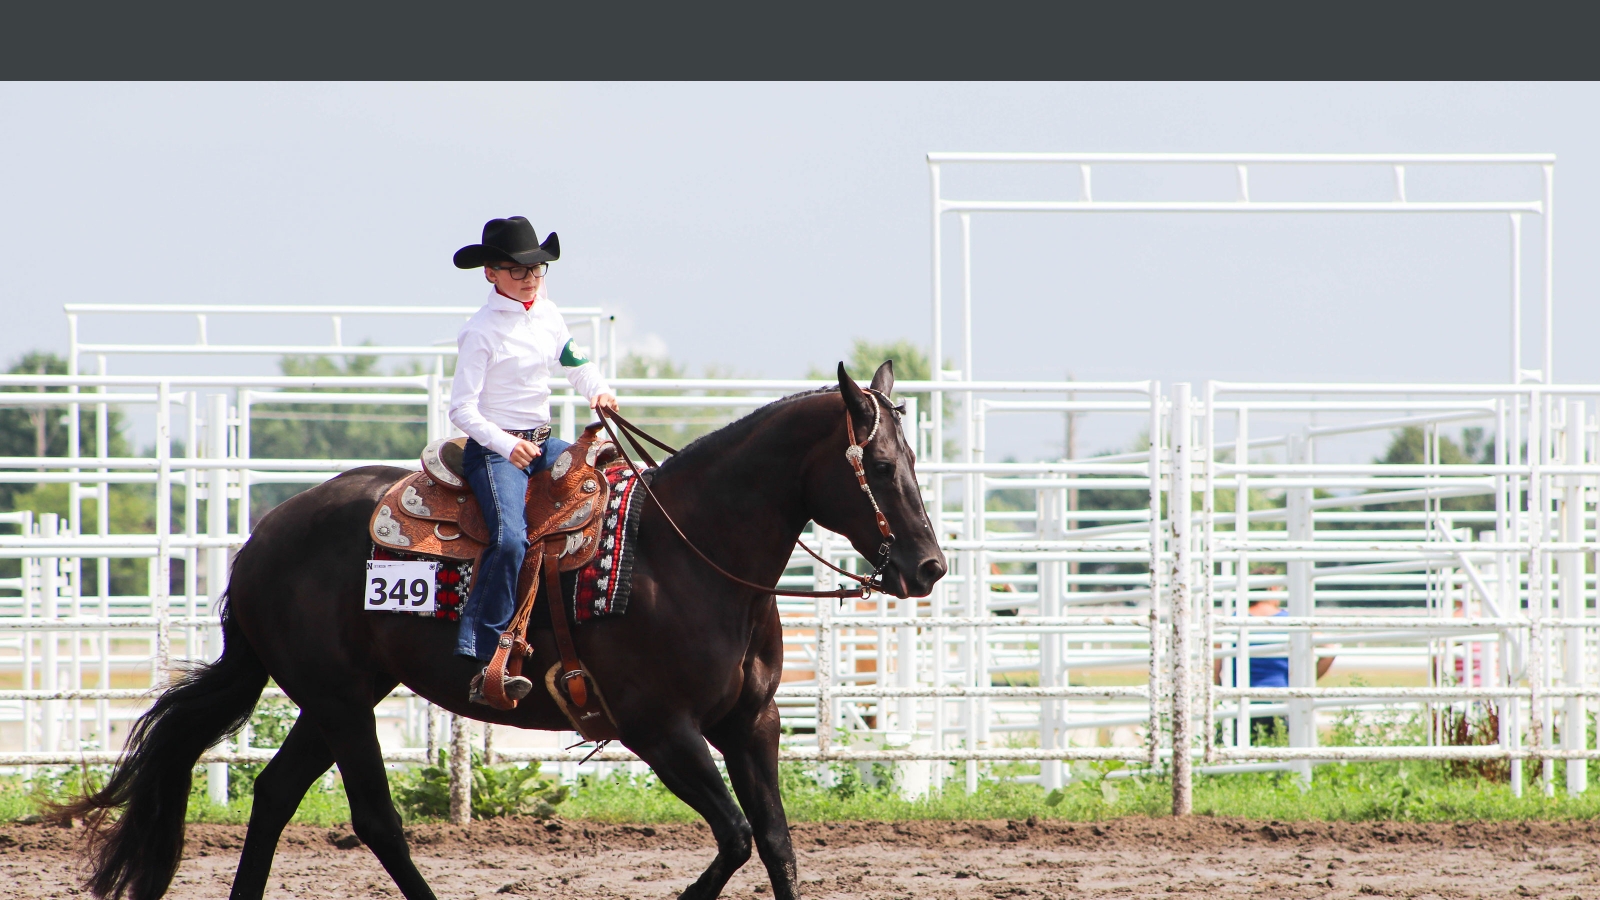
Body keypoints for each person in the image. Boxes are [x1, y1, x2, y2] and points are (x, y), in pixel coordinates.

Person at [448, 216, 618, 704]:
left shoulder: (547, 312)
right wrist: (506, 445)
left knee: (609, 483)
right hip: (495, 450)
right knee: (509, 540)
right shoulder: (479, 332)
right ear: (490, 274)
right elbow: (461, 408)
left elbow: (574, 361)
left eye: (537, 269)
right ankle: (484, 648)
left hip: (543, 443)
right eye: (516, 269)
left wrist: (600, 391)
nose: (529, 278)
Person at [1214, 585, 1335, 741]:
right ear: (1272, 589)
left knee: (1228, 750)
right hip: (1281, 699)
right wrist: (1305, 682)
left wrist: (1225, 695)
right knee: (1286, 752)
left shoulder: (1232, 621)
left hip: (1240, 701)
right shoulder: (1291, 621)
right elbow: (1329, 651)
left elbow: (1215, 668)